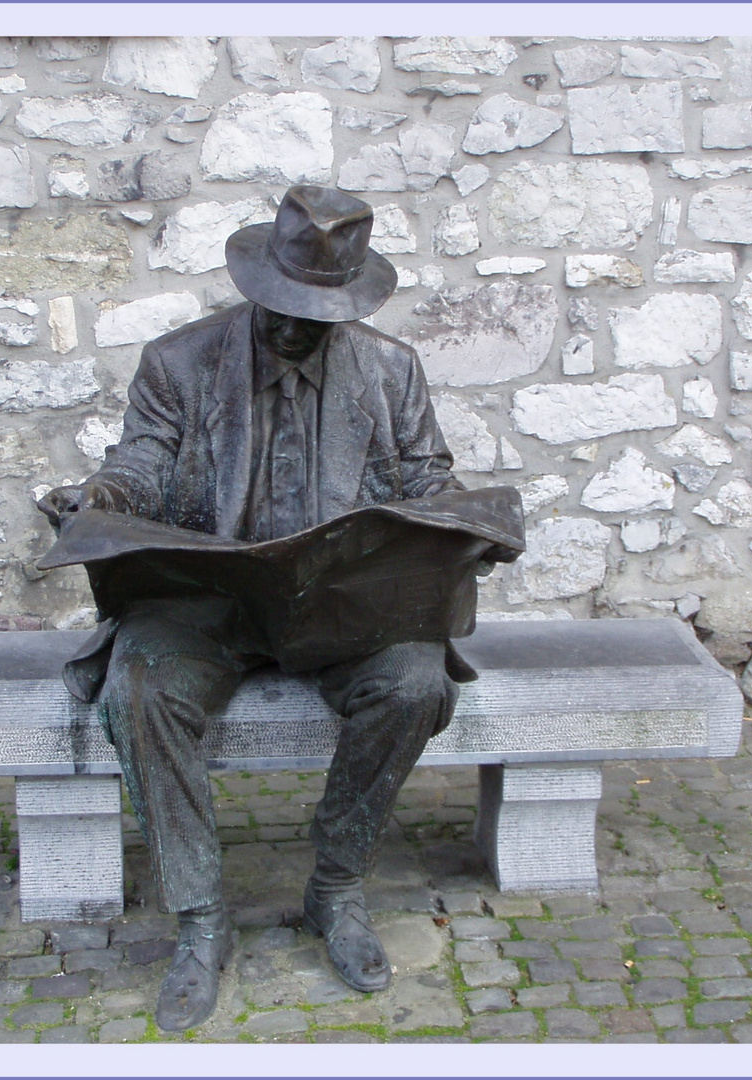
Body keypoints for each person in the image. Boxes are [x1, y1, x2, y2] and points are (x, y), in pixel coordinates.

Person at [39, 185, 479, 1032]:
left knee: (416, 683)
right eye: (280, 308)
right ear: (255, 285)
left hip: (343, 605)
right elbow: (141, 466)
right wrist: (102, 495)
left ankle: (337, 888)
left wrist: (460, 519)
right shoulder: (179, 362)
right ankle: (202, 919)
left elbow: (428, 477)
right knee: (139, 690)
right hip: (211, 599)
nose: (292, 327)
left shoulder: (392, 371)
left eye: (315, 315)